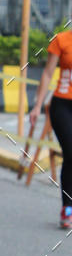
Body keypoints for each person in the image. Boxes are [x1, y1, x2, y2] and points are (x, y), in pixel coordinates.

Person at [30, 28, 72, 228]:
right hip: (62, 105)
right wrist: (37, 106)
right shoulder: (61, 41)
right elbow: (47, 74)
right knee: (71, 153)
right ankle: (67, 208)